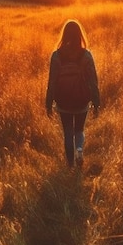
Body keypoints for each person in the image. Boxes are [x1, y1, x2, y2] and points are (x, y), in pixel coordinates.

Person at [46, 19, 100, 168]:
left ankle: (70, 165)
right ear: (79, 35)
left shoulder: (56, 56)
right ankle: (79, 150)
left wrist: (48, 103)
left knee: (68, 131)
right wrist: (96, 103)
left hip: (63, 101)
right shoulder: (86, 55)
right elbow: (93, 81)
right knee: (79, 130)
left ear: (64, 35)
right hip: (81, 100)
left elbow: (52, 81)